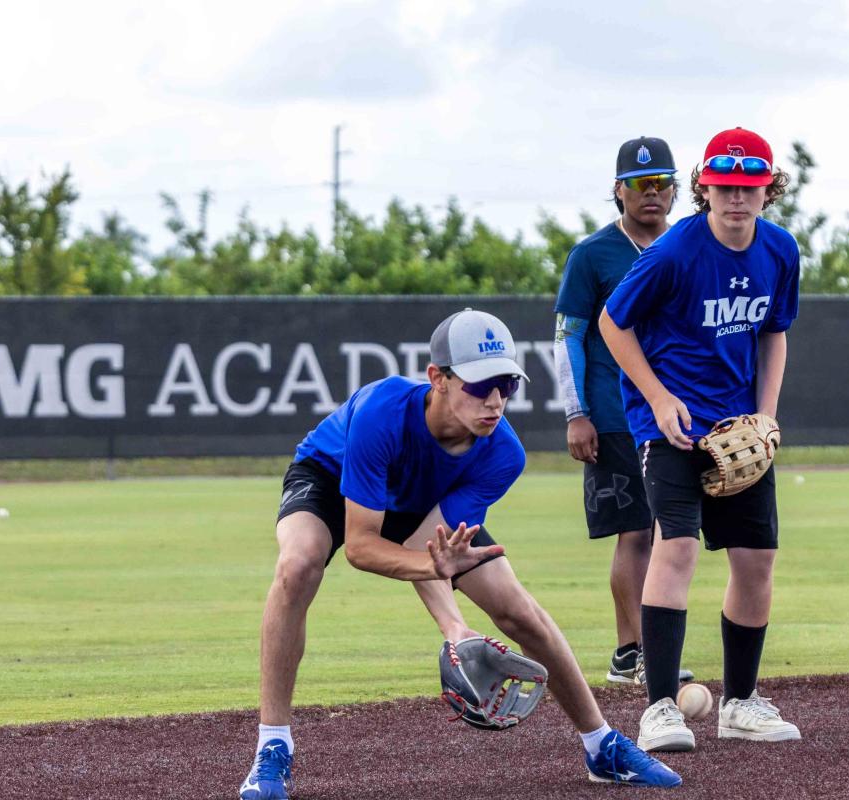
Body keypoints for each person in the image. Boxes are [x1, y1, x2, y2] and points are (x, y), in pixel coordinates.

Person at [237, 308, 681, 799]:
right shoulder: (383, 412)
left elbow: (431, 536)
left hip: (423, 502)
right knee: (298, 565)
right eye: (478, 385)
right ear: (438, 379)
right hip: (326, 476)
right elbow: (362, 545)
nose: (494, 401)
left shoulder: (503, 454)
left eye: (506, 386)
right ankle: (272, 748)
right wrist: (437, 580)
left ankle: (602, 745)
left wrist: (453, 624)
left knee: (519, 613)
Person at [599, 127, 802, 753]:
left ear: (769, 190)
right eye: (724, 185)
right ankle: (659, 707)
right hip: (674, 427)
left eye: (748, 186)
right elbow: (612, 322)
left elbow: (773, 332)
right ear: (703, 187)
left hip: (739, 427)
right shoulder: (674, 253)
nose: (736, 198)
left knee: (755, 560)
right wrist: (658, 399)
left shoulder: (780, 250)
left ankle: (740, 703)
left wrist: (766, 416)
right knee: (678, 547)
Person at [553, 136, 691, 686]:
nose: (651, 193)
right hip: (612, 413)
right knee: (635, 532)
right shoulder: (593, 254)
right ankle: (634, 651)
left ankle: (643, 652)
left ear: (677, 189)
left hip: (672, 414)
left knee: (668, 532)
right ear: (619, 191)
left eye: (660, 182)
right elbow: (568, 336)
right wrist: (575, 412)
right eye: (639, 184)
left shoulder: (687, 245)